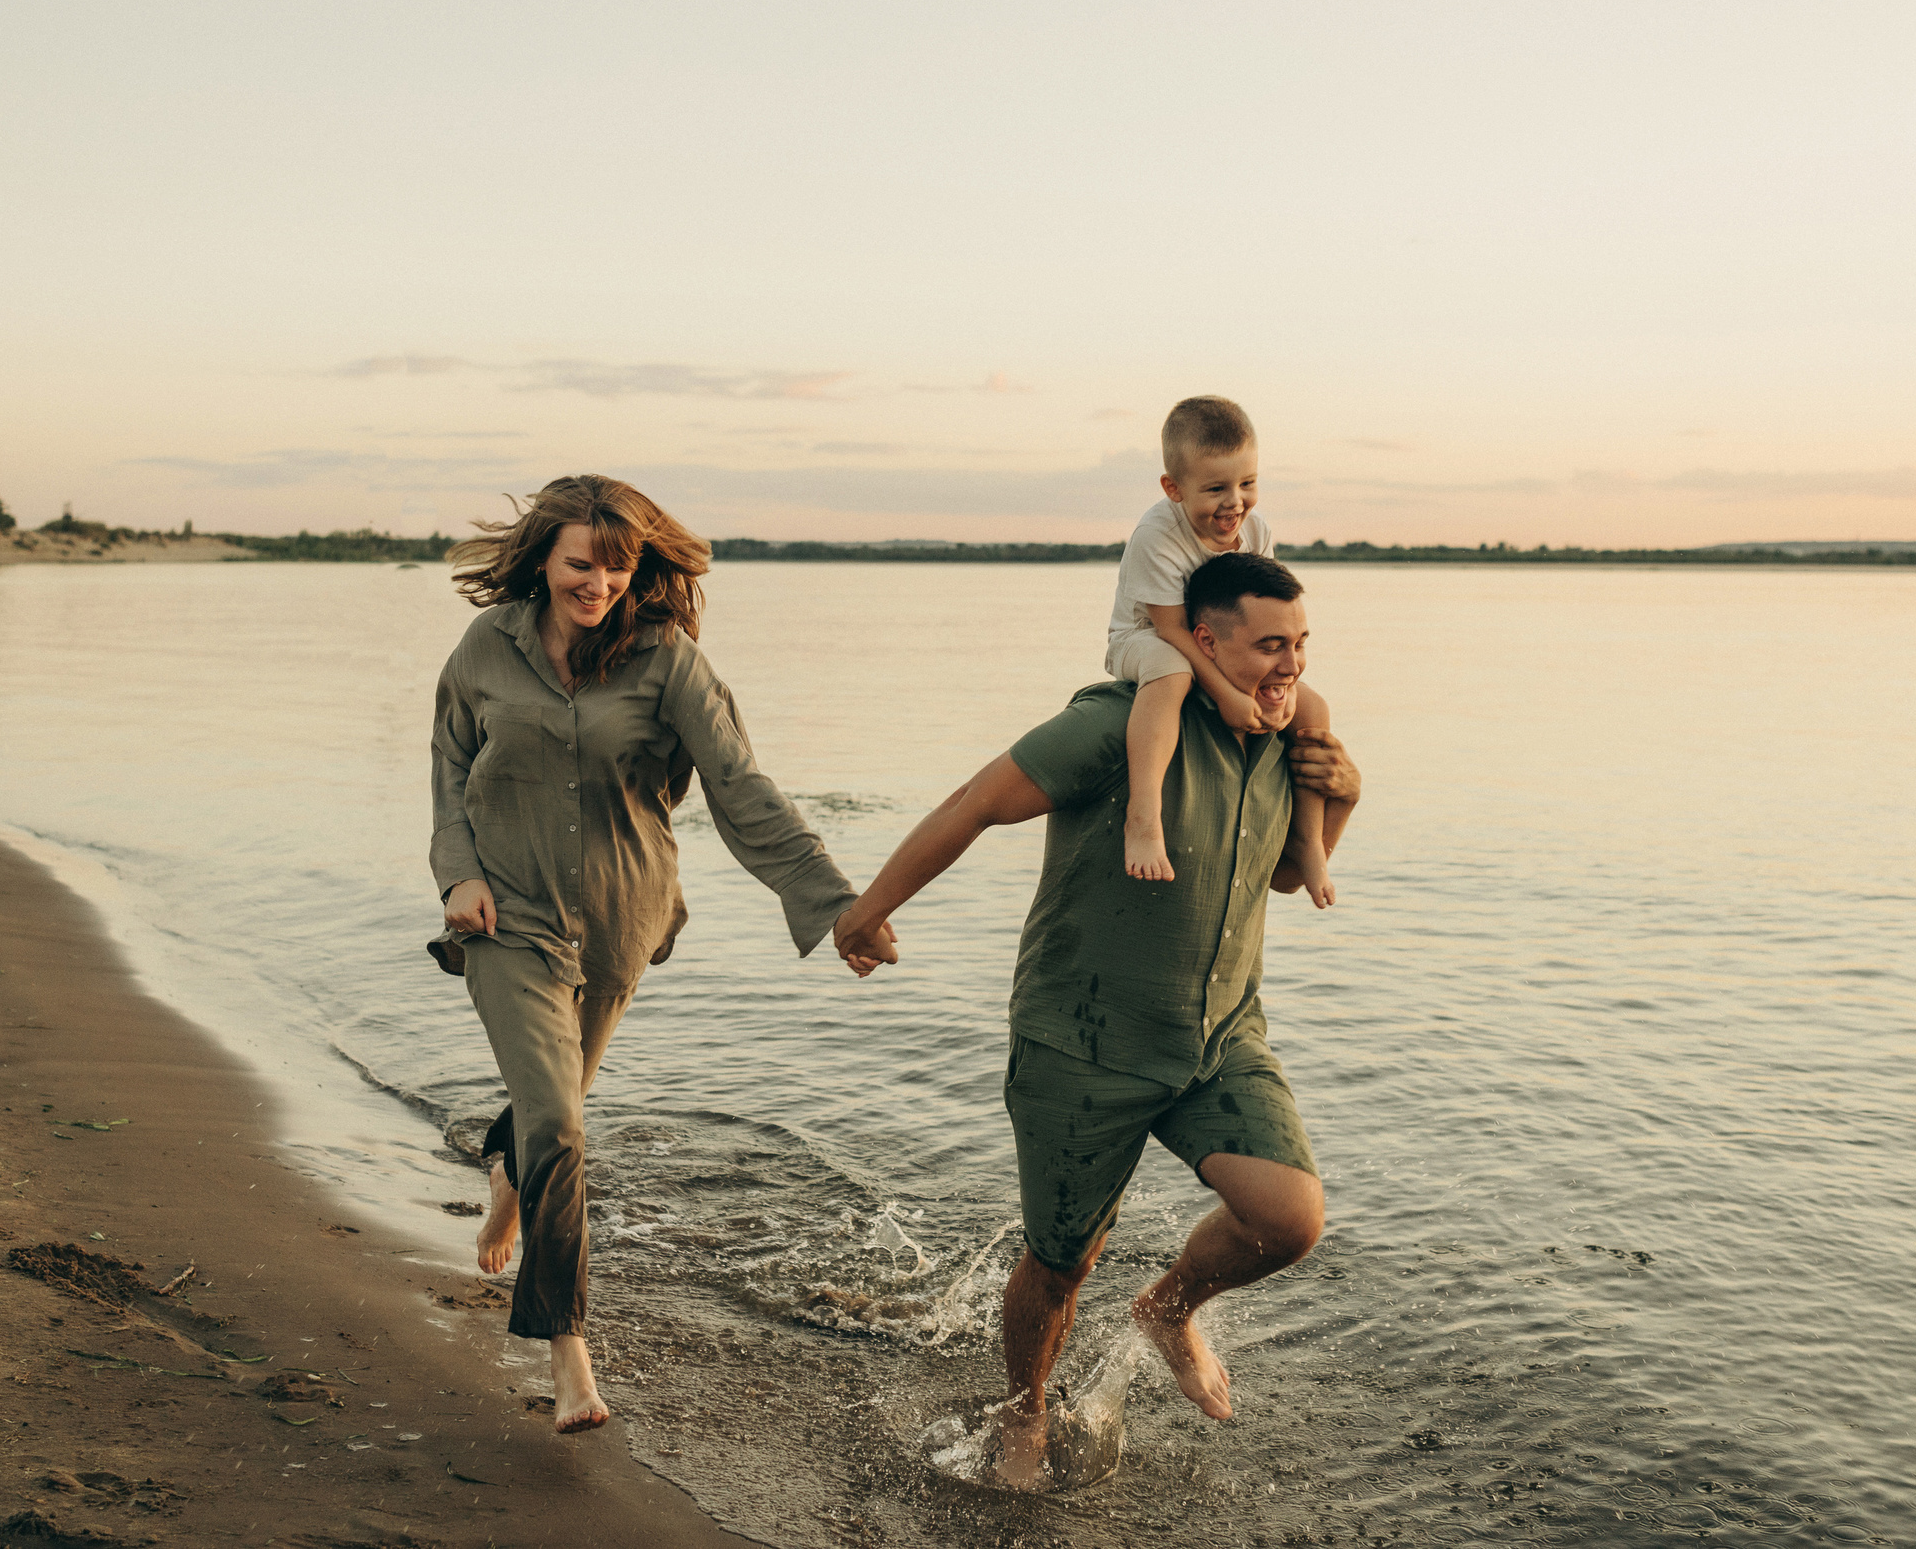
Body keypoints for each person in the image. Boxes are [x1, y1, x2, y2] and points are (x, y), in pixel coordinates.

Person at [831, 552, 1361, 1489]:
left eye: (1302, 643)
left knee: (1288, 1218)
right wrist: (870, 908)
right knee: (1062, 1265)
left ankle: (1168, 1309)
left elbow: (1283, 874)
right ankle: (1023, 1409)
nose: (1292, 665)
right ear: (1203, 638)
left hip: (1219, 1039)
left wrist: (1342, 800)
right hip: (1083, 1039)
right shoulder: (1115, 724)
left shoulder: (1283, 737)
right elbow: (977, 801)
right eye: (1270, 644)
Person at [429, 474, 893, 1433]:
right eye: (578, 563)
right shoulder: (486, 647)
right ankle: (569, 1356)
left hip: (619, 919)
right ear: (543, 560)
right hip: (506, 917)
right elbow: (445, 770)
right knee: (560, 1120)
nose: (597, 581)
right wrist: (455, 876)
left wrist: (837, 903)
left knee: (553, 1113)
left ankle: (510, 1177)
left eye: (617, 563)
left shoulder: (667, 659)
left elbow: (740, 789)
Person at [1108, 396, 1335, 907]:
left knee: (1314, 708)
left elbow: (1264, 609)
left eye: (1247, 484)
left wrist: (1279, 685)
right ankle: (1143, 817)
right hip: (1146, 640)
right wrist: (1230, 696)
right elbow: (1170, 630)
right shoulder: (1156, 537)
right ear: (1174, 489)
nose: (1235, 503)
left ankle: (1307, 839)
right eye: (1215, 489)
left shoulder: (1255, 532)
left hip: (1220, 645)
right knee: (1170, 672)